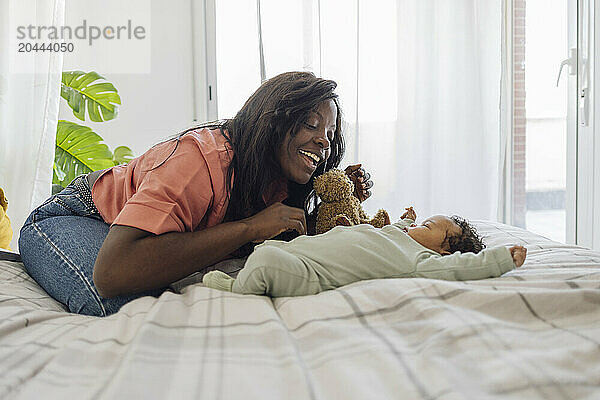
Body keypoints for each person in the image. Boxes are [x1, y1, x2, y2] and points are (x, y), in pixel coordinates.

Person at [19, 71, 374, 316]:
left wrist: (344, 203)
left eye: (329, 131)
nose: (323, 140)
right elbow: (112, 273)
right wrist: (250, 227)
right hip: (78, 215)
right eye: (311, 124)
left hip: (123, 234)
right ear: (274, 120)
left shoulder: (280, 180)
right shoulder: (200, 160)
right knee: (131, 308)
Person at [202, 207, 528, 297]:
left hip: (311, 275)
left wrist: (500, 259)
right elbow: (400, 227)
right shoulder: (400, 235)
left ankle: (237, 287)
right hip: (304, 252)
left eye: (429, 226)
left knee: (267, 262)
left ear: (442, 251)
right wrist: (409, 219)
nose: (417, 228)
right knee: (269, 249)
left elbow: (462, 267)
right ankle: (246, 271)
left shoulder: (420, 261)